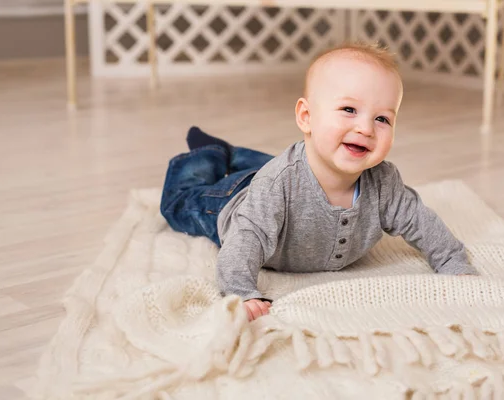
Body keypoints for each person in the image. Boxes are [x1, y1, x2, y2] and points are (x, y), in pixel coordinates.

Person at [160, 42, 477, 322]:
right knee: (181, 201)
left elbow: (421, 222)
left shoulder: (384, 184)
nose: (366, 128)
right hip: (232, 202)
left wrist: (453, 262)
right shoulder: (276, 187)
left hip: (282, 172)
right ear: (306, 117)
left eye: (382, 118)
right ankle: (210, 152)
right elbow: (247, 238)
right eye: (349, 109)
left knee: (277, 166)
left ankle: (237, 154)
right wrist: (242, 292)